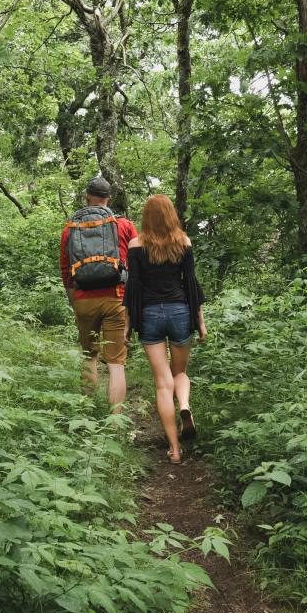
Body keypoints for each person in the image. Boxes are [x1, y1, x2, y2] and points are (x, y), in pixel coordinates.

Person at [125, 194, 206, 464]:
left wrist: (127, 327)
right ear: (171, 214)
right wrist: (201, 322)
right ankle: (184, 405)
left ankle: (174, 449)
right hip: (180, 310)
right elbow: (191, 284)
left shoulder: (135, 245)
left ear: (146, 217)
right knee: (180, 372)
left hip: (149, 314)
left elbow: (132, 289)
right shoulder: (184, 242)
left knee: (162, 383)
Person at [60, 176, 138, 413]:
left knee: (88, 356)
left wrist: (76, 304)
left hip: (84, 299)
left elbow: (66, 271)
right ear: (109, 198)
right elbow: (138, 264)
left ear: (86, 197)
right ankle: (116, 422)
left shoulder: (70, 227)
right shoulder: (124, 225)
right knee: (116, 364)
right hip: (116, 297)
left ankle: (86, 413)